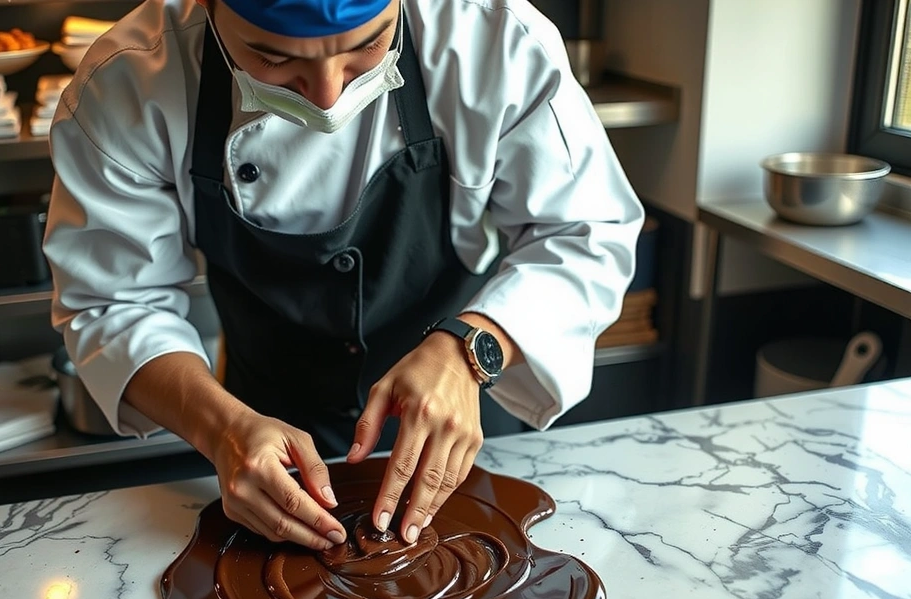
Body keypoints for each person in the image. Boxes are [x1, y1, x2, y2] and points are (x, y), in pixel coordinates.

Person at [43, 0, 643, 553]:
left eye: (368, 47)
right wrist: (222, 429)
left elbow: (584, 233)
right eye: (272, 57)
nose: (328, 98)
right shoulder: (130, 79)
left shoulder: (493, 37)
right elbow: (113, 304)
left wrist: (472, 349)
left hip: (467, 411)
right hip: (264, 425)